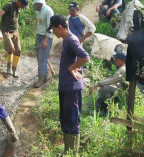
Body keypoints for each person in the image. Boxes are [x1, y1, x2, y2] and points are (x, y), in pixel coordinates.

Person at [47, 15, 89, 156]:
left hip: (72, 88)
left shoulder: (71, 40)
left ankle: (72, 153)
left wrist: (71, 68)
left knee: (72, 121)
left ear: (60, 27)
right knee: (65, 119)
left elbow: (85, 57)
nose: (53, 32)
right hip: (66, 87)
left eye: (53, 29)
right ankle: (67, 151)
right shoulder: (67, 40)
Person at [0, 0, 29, 78]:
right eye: (22, 5)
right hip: (6, 31)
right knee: (11, 48)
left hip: (15, 30)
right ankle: (8, 68)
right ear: (19, 2)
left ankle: (14, 70)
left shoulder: (19, 7)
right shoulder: (8, 5)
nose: (22, 7)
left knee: (18, 50)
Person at [90, 46, 127, 115]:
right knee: (104, 87)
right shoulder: (122, 68)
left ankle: (108, 111)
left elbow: (112, 80)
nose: (115, 60)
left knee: (105, 89)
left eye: (116, 59)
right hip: (121, 90)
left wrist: (97, 84)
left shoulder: (123, 70)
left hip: (123, 93)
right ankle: (99, 109)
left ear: (122, 60)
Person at [33, 0, 54, 88]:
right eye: (36, 4)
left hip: (45, 37)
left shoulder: (48, 11)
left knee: (42, 59)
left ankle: (41, 80)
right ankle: (44, 77)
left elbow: (50, 26)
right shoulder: (38, 10)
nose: (37, 5)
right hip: (39, 36)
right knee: (40, 59)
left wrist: (46, 39)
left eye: (38, 4)